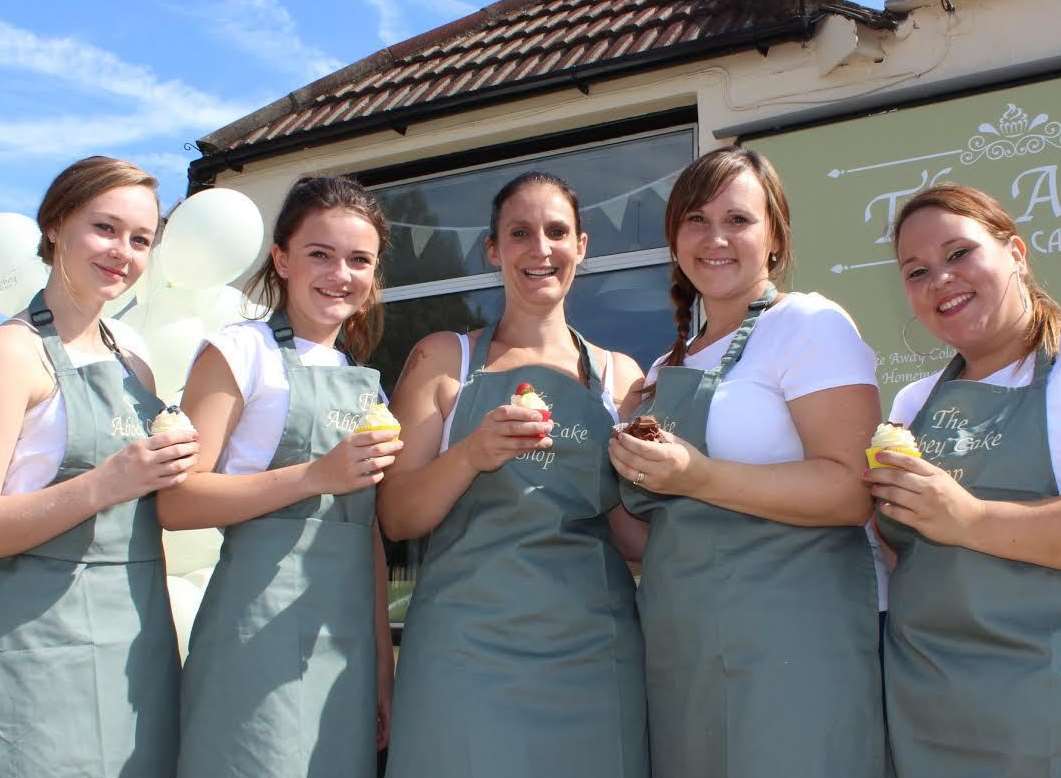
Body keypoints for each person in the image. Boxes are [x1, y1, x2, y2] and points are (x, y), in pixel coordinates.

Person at [609, 146, 886, 777]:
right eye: (696, 221)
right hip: (685, 652)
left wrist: (699, 476)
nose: (716, 238)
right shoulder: (663, 370)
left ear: (776, 237)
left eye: (738, 220)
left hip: (794, 650)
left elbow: (852, 491)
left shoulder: (810, 325)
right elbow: (647, 537)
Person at [379, 171, 650, 778]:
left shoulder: (618, 377)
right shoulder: (445, 358)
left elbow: (632, 535)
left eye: (557, 232)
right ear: (494, 251)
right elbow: (397, 515)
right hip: (463, 654)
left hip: (593, 654)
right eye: (520, 233)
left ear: (582, 246)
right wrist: (472, 453)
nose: (540, 249)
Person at [158, 176, 400, 778]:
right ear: (282, 259)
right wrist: (314, 474)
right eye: (320, 253)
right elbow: (176, 501)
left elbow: (366, 534)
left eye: (358, 260)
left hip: (341, 642)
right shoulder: (238, 352)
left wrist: (380, 664)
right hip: (256, 630)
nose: (339, 273)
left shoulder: (363, 379)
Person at [0, 156, 198, 776]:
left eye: (141, 240)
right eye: (105, 228)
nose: (123, 252)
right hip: (40, 650)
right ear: (56, 223)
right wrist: (108, 482)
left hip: (138, 648)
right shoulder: (13, 353)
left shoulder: (134, 358)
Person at [866, 184, 1061, 776]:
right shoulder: (914, 400)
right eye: (917, 271)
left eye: (958, 254)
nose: (940, 280)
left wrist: (969, 519)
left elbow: (956, 522)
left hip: (1037, 713)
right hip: (923, 709)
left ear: (1017, 254)